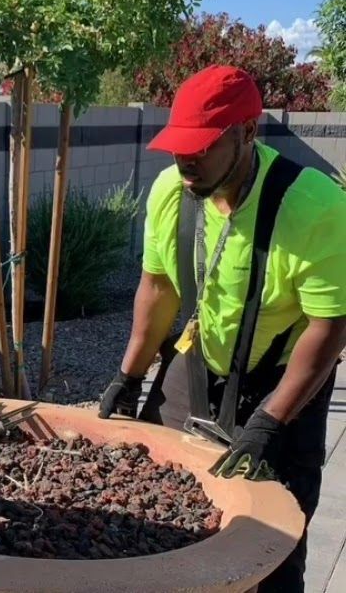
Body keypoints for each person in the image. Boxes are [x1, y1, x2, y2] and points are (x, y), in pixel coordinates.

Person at [97, 64, 346, 592]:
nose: (187, 160)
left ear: (247, 132)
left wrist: (270, 422)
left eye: (203, 146)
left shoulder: (318, 208)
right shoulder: (172, 190)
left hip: (281, 377)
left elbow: (328, 327)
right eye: (179, 147)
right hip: (198, 359)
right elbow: (158, 289)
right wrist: (128, 376)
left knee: (274, 540)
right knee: (157, 498)